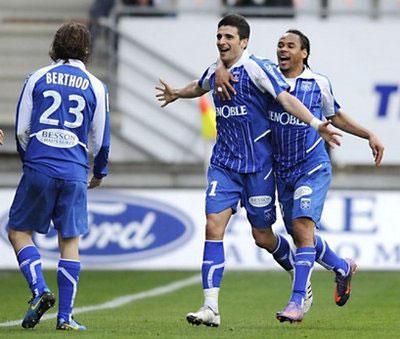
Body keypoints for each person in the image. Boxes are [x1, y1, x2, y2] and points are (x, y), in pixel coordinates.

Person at [155, 14, 341, 327]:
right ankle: (210, 307)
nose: (222, 42)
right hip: (224, 165)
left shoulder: (258, 68)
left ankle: (297, 271)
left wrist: (315, 123)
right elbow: (199, 86)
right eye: (219, 37)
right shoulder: (216, 71)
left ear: (244, 42)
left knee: (262, 235)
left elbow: (285, 98)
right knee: (213, 226)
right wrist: (176, 93)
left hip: (259, 169)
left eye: (229, 37)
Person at [215, 29, 384, 323]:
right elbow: (233, 61)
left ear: (303, 53)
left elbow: (335, 115)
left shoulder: (318, 83)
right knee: (298, 234)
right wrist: (220, 68)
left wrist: (367, 133)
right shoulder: (265, 79)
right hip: (281, 169)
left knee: (303, 228)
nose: (282, 49)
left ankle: (297, 301)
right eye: (280, 45)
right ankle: (342, 266)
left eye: (290, 45)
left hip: (312, 165)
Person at [7, 22, 110, 331]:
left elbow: (22, 129)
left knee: (18, 231)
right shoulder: (95, 85)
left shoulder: (36, 77)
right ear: (87, 50)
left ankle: (39, 289)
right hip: (75, 169)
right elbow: (101, 138)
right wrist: (99, 171)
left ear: (54, 47)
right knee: (70, 240)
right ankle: (65, 317)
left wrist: (31, 161)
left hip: (40, 164)